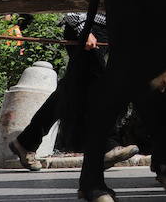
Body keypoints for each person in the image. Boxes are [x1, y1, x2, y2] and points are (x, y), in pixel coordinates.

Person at [8, 12, 138, 172]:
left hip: (107, 30)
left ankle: (26, 141)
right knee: (100, 87)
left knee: (69, 91)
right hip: (88, 29)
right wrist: (84, 29)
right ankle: (107, 145)